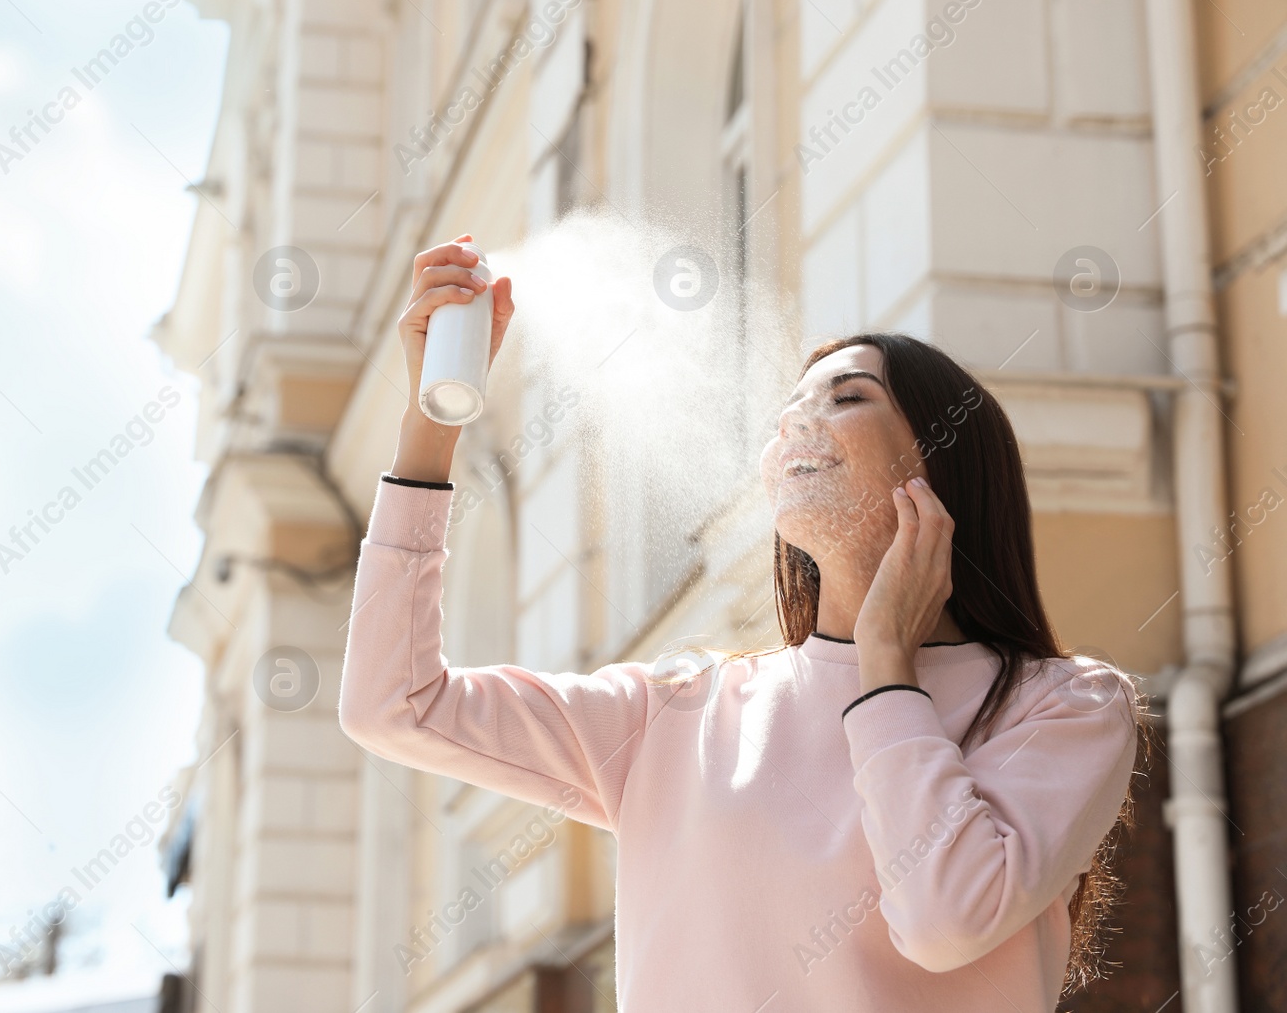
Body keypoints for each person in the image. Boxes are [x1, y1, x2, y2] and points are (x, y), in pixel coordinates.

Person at [339, 235, 1149, 1012]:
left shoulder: (1066, 706)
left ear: (941, 458)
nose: (800, 422)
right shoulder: (678, 710)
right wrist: (429, 426)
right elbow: (392, 702)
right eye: (791, 405)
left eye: (848, 397)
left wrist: (885, 664)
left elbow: (945, 919)